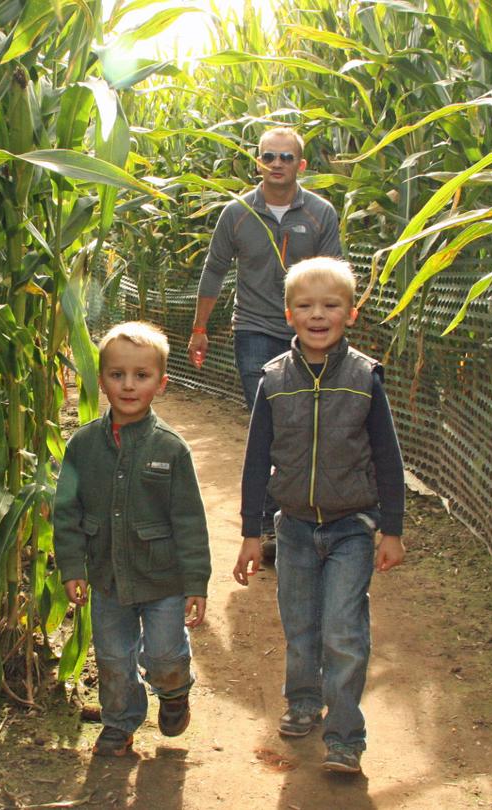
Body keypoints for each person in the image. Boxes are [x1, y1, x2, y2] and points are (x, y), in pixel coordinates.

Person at [232, 257, 406, 775]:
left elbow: (389, 458)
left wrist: (391, 529)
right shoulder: (274, 380)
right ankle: (304, 701)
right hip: (295, 527)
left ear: (350, 314)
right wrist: (249, 531)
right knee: (300, 624)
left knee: (343, 630)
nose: (318, 314)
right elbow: (255, 458)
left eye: (331, 305)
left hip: (353, 526)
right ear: (288, 314)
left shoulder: (364, 378)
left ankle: (346, 736)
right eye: (305, 305)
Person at [53, 321, 211, 758]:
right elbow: (67, 512)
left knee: (162, 655)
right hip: (107, 580)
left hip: (162, 579)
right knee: (113, 659)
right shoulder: (82, 446)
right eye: (117, 374)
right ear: (101, 380)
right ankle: (119, 723)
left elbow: (190, 522)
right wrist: (71, 567)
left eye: (141, 376)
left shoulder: (171, 449)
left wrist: (196, 582)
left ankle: (174, 689)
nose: (128, 385)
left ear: (160, 384)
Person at [188, 126, 342, 563]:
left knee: (307, 422)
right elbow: (214, 270)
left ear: (301, 165)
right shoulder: (237, 213)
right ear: (258, 162)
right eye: (268, 157)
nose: (277, 164)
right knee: (268, 421)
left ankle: (306, 517)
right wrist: (200, 328)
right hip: (254, 329)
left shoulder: (320, 213)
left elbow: (335, 273)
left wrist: (334, 327)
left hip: (309, 333)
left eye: (286, 158)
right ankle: (269, 526)